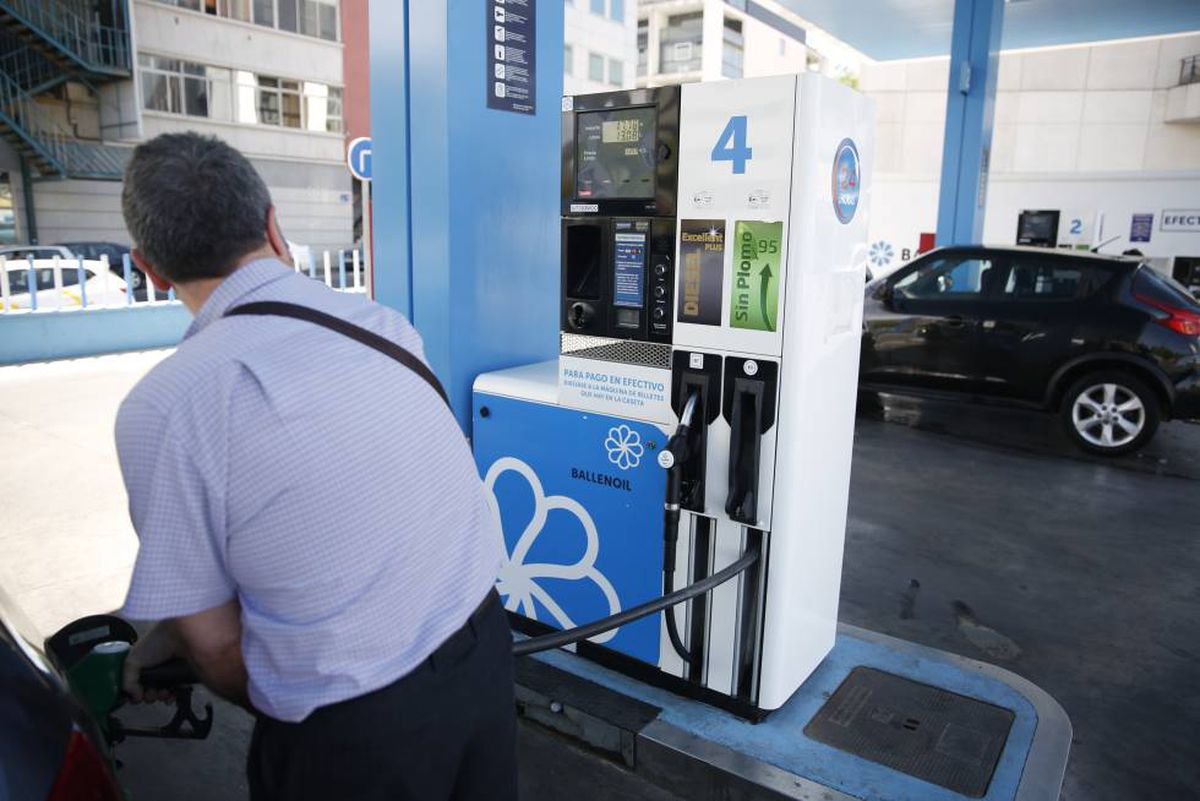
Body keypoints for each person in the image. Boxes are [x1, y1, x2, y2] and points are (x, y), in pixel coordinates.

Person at [115, 132, 517, 801]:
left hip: (356, 730)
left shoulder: (168, 404)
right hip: (483, 658)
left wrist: (306, 696)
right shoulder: (383, 326)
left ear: (149, 268)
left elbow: (212, 644)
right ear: (273, 226)